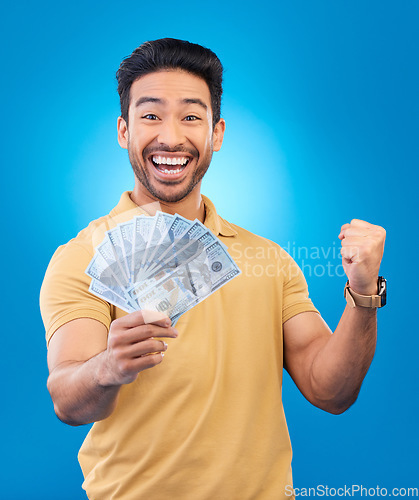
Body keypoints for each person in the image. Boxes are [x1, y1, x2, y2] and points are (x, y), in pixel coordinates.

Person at [40, 38, 386, 499]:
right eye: (150, 115)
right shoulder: (83, 257)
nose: (170, 136)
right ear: (123, 131)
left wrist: (363, 295)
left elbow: (330, 391)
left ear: (216, 134)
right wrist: (107, 367)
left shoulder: (268, 260)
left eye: (190, 116)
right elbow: (67, 398)